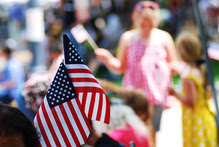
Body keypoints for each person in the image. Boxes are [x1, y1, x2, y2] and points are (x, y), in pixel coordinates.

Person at [95, 1, 178, 145]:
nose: (146, 28)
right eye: (143, 24)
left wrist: (164, 70)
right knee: (134, 129)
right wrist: (108, 58)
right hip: (134, 94)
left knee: (152, 132)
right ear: (135, 19)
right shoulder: (128, 38)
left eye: (150, 25)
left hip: (155, 94)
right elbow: (120, 66)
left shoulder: (164, 37)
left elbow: (174, 65)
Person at [168, 31, 218, 146]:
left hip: (195, 120)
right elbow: (208, 94)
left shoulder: (188, 78)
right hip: (206, 116)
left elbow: (190, 102)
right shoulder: (202, 70)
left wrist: (174, 94)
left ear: (182, 54)